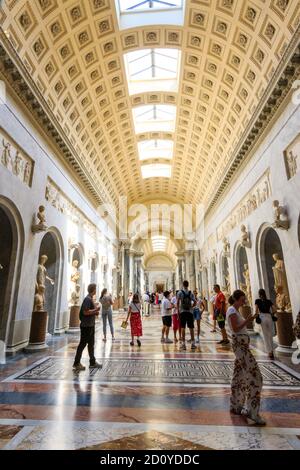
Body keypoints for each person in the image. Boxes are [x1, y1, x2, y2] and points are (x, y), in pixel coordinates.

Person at [227, 289, 265, 426]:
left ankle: (236, 405)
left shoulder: (234, 311)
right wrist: (248, 320)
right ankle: (252, 412)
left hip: (242, 346)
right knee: (256, 378)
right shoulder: (231, 311)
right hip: (240, 347)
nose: (244, 302)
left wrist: (248, 319)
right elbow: (236, 329)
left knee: (239, 376)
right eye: (242, 299)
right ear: (236, 299)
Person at [73, 284, 102, 371]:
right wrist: (95, 310)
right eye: (95, 289)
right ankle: (76, 363)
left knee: (91, 344)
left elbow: (90, 311)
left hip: (90, 325)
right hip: (86, 326)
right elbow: (85, 312)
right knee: (82, 344)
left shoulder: (90, 299)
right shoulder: (87, 299)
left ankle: (92, 362)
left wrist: (95, 312)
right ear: (93, 290)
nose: (96, 291)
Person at [255, 289, 276, 359]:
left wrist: (256, 316)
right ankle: (272, 351)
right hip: (269, 317)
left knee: (265, 335)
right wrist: (272, 314)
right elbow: (275, 309)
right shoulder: (269, 301)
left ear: (259, 294)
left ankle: (269, 352)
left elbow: (256, 311)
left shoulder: (257, 301)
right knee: (270, 335)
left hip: (262, 317)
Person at [177, 280, 196, 351]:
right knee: (191, 327)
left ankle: (183, 344)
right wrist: (192, 307)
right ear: (188, 285)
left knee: (183, 327)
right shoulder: (191, 293)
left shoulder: (179, 292)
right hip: (189, 312)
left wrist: (178, 312)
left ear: (183, 285)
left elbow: (178, 303)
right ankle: (193, 344)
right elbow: (195, 301)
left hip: (182, 312)